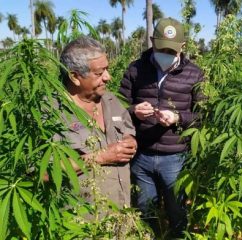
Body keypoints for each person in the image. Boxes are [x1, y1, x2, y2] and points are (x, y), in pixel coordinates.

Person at [119, 17, 204, 237]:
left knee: (177, 213)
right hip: (142, 155)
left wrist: (178, 117)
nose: (166, 53)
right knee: (146, 212)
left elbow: (204, 115)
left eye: (172, 50)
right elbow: (117, 105)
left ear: (183, 47)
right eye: (162, 48)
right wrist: (133, 110)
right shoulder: (136, 69)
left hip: (176, 157)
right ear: (152, 42)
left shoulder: (194, 74)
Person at [57, 36, 137, 208]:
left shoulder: (110, 100)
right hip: (82, 224)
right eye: (99, 73)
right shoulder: (53, 113)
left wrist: (130, 141)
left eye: (107, 69)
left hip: (121, 214)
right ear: (75, 77)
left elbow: (128, 129)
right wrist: (100, 157)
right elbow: (44, 173)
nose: (108, 77)